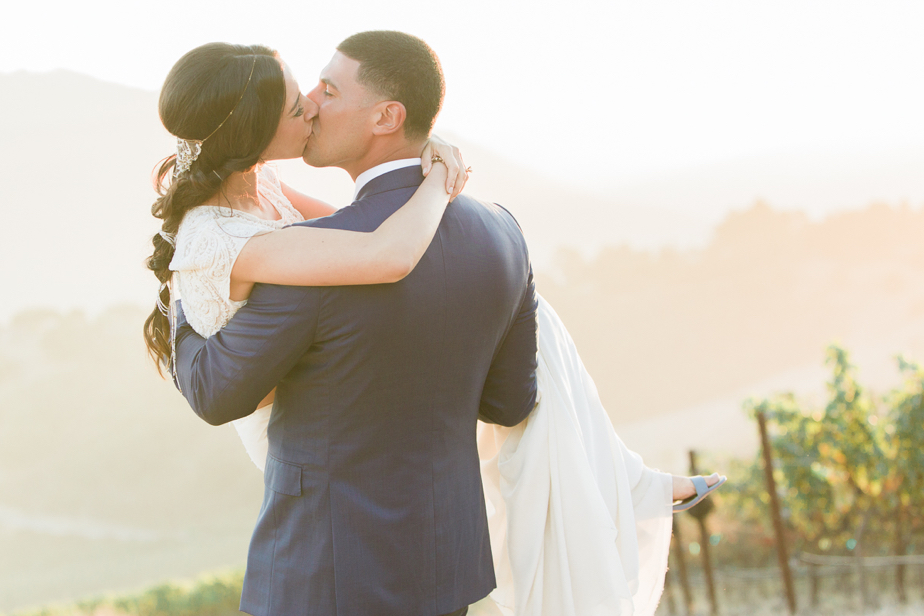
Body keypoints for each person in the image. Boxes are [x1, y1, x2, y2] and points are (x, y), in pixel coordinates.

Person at [162, 34, 724, 616]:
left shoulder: (311, 262)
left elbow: (216, 390)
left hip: (323, 576)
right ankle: (632, 482)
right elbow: (510, 402)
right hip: (446, 566)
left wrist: (176, 296)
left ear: (386, 115)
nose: (311, 102)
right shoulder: (501, 233)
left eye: (327, 90)